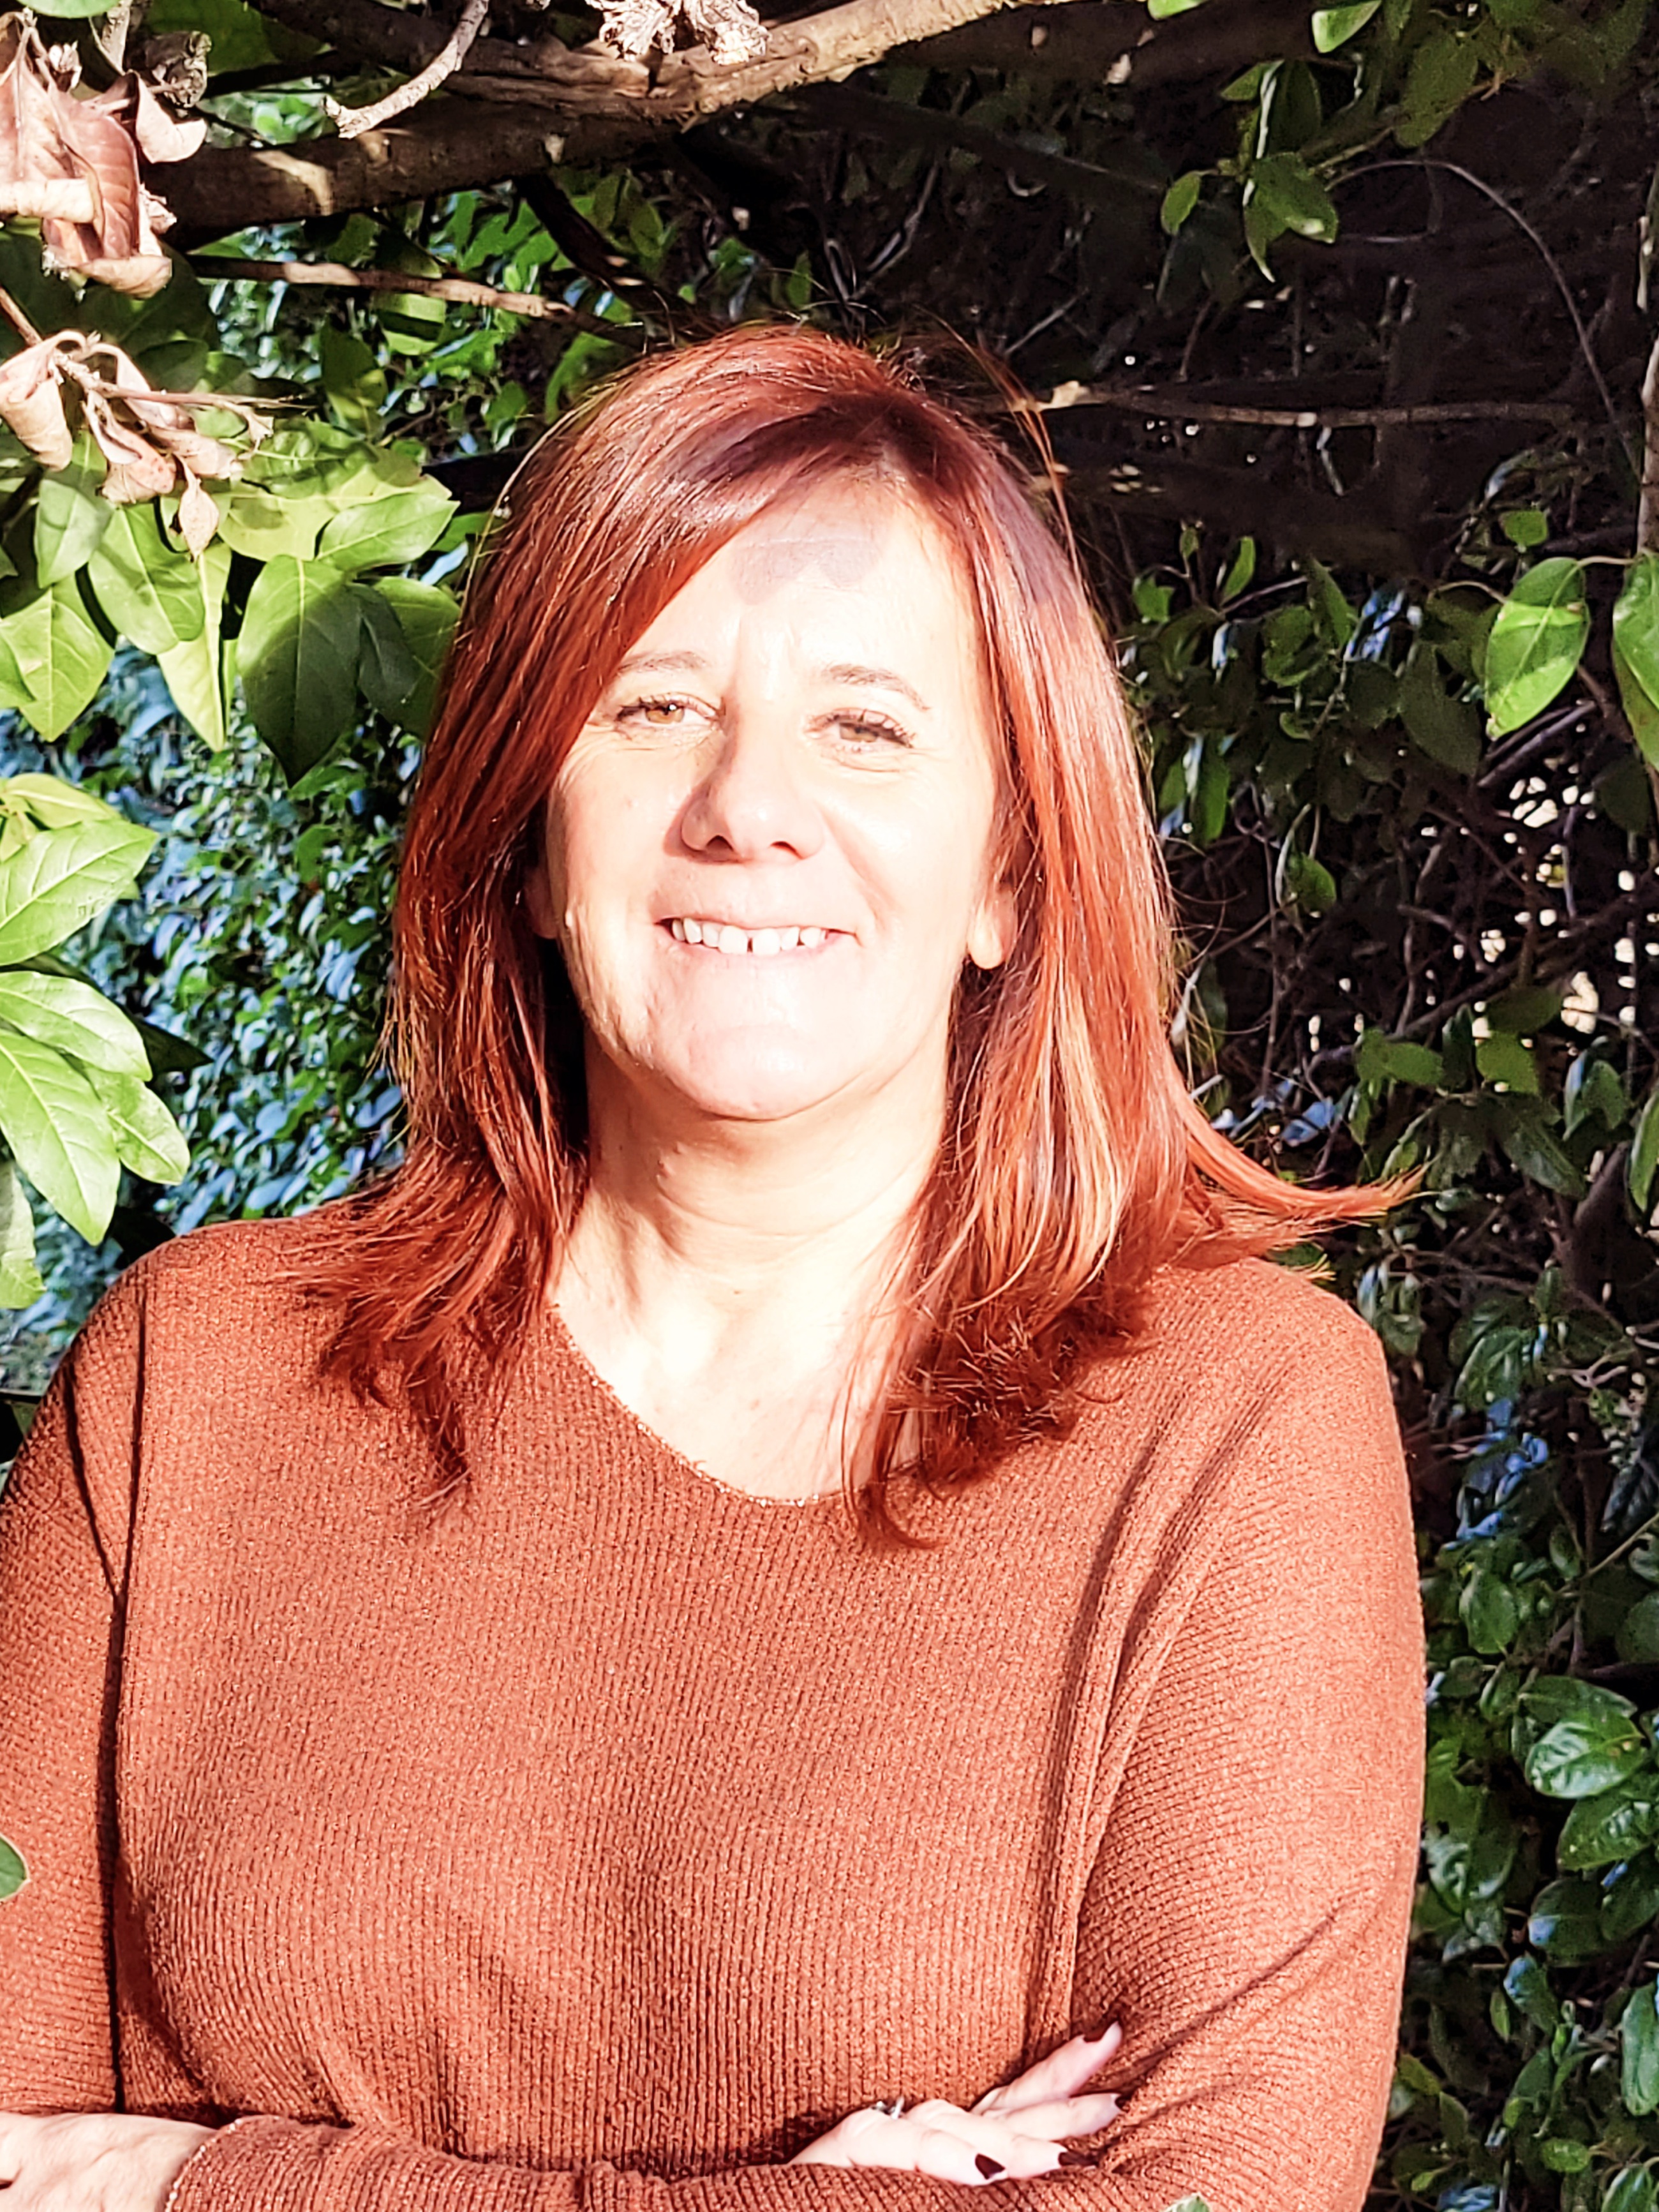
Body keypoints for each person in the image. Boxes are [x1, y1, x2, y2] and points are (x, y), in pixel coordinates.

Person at [0, 326, 1423, 2212]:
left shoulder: (1234, 1428)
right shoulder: (190, 1379)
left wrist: (196, 2184)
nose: (748, 806)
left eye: (867, 727)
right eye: (653, 705)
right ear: (525, 836)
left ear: (1009, 868)